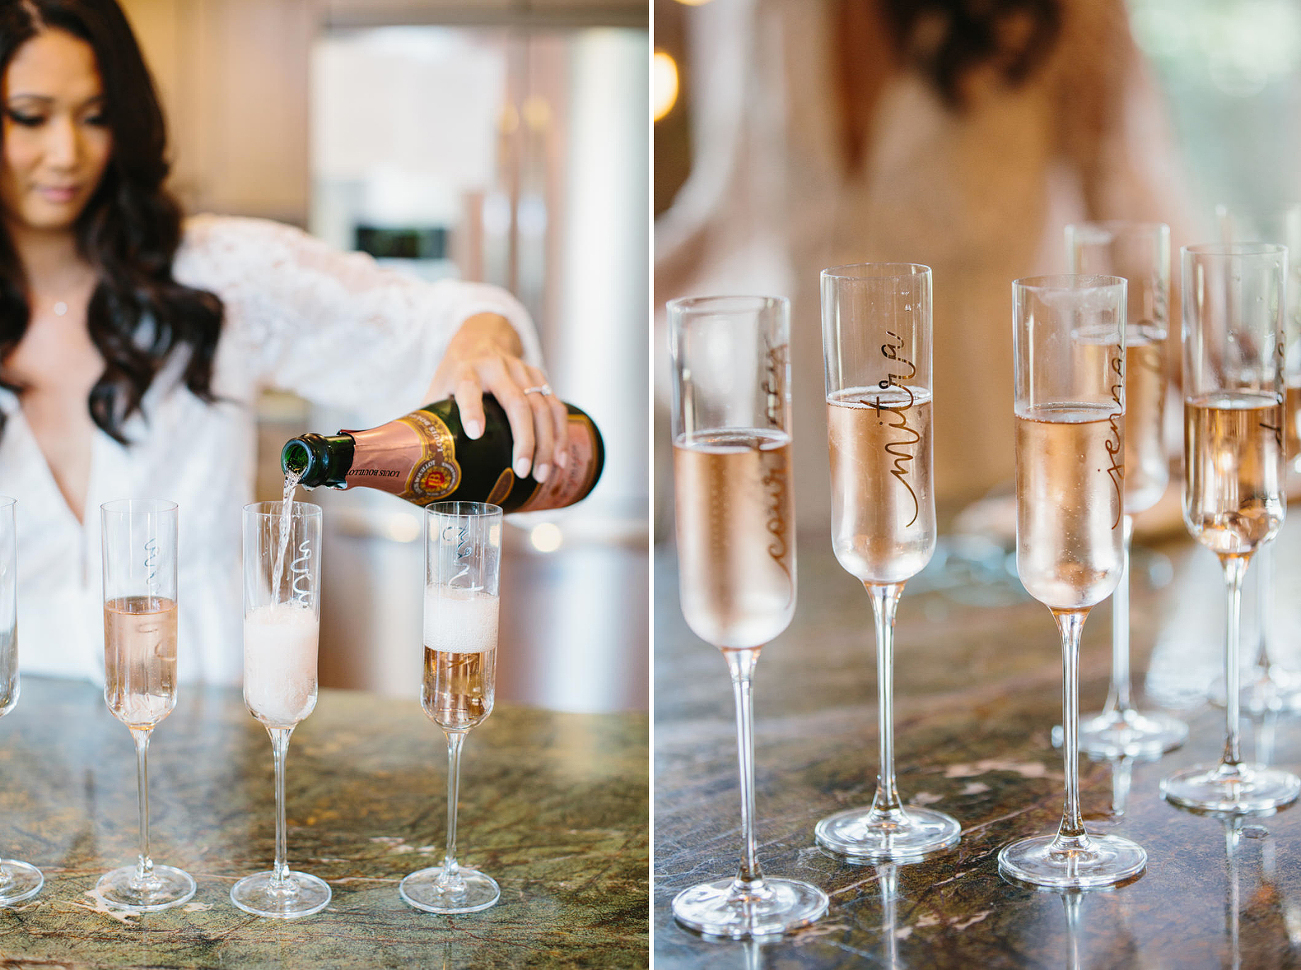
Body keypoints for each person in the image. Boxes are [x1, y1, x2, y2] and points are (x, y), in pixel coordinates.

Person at [0, 0, 569, 683]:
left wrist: (479, 342)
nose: (67, 152)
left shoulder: (220, 274)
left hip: (204, 744)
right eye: (29, 116)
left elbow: (443, 319)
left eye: (96, 116)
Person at [656, 0, 1198, 530]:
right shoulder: (755, 11)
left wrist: (1220, 389)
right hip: (816, 468)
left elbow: (1127, 217)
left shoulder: (1065, 13)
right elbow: (718, 215)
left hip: (991, 465)